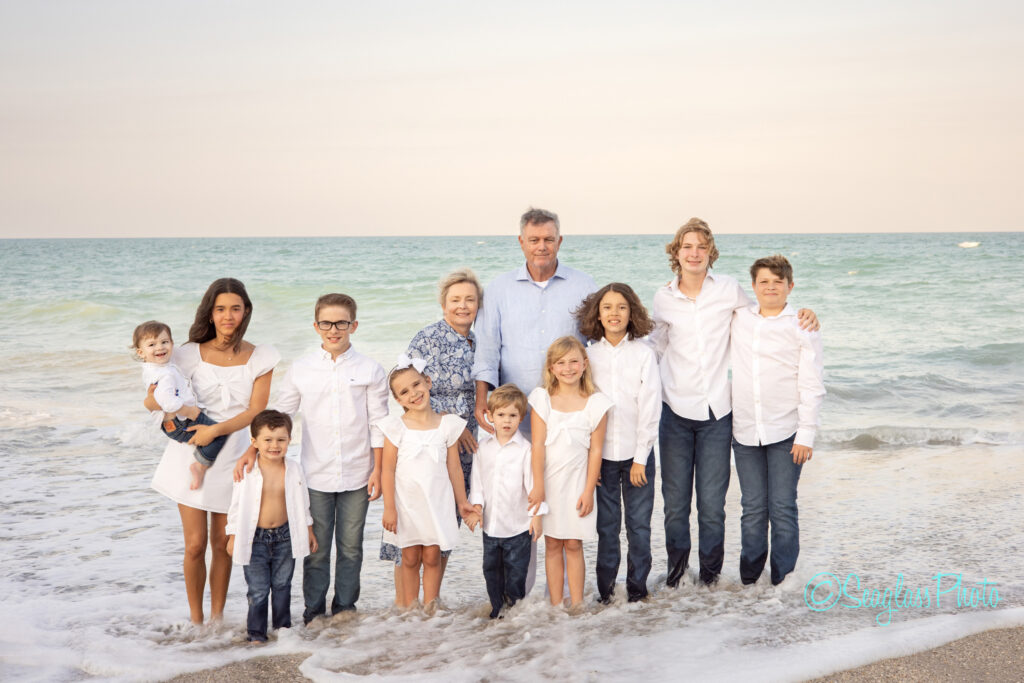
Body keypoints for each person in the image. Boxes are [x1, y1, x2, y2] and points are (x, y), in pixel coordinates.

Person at [650, 219, 817, 587]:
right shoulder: (662, 298)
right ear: (676, 253)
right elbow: (656, 345)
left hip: (717, 415)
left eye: (701, 246)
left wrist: (805, 312)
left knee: (712, 507)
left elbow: (770, 310)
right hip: (674, 411)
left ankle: (710, 578)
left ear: (711, 253)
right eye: (687, 246)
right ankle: (676, 576)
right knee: (675, 506)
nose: (694, 253)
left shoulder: (729, 290)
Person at [233, 293, 388, 624]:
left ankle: (345, 610)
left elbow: (379, 423)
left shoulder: (370, 370)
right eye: (327, 323)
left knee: (350, 549)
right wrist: (251, 449)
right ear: (316, 326)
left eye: (342, 323)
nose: (334, 330)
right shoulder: (301, 369)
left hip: (359, 474)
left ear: (354, 325)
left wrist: (378, 470)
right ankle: (314, 614)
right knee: (315, 550)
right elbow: (280, 415)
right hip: (314, 475)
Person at [148, 278, 279, 624]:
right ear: (210, 311)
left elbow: (256, 411)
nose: (228, 315)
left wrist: (216, 431)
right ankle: (196, 621)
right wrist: (168, 410)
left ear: (246, 311)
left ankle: (217, 619)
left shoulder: (261, 356)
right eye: (220, 308)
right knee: (194, 545)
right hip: (190, 455)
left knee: (223, 545)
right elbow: (152, 397)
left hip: (233, 454)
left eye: (236, 308)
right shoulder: (187, 353)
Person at [730, 255, 824, 586]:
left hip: (786, 431)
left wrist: (806, 434)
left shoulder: (801, 326)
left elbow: (812, 382)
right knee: (753, 509)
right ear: (753, 287)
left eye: (778, 282)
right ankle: (750, 581)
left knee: (782, 507)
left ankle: (783, 583)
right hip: (744, 432)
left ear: (790, 286)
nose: (771, 287)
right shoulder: (739, 317)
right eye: (764, 282)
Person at [394, 269, 482, 598]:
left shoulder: (481, 339)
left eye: (470, 299)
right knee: (414, 526)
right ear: (443, 305)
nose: (463, 306)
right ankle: (403, 607)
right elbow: (406, 391)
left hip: (466, 442)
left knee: (443, 523)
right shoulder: (427, 338)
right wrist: (450, 424)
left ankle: (431, 605)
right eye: (455, 299)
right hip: (429, 439)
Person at [473, 208, 596, 438]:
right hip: (515, 414)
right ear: (521, 242)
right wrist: (481, 400)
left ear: (559, 241)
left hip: (570, 414)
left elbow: (599, 346)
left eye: (548, 239)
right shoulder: (498, 289)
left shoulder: (584, 286)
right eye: (534, 240)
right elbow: (486, 352)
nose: (542, 246)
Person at [575, 283, 662, 603]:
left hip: (637, 457)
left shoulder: (643, 353)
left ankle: (638, 591)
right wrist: (588, 462)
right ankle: (607, 594)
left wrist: (641, 457)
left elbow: (650, 407)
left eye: (621, 307)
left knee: (639, 527)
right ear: (597, 313)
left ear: (632, 313)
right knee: (607, 528)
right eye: (607, 307)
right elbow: (583, 407)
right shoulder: (587, 354)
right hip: (602, 459)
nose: (614, 313)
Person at [378, 356, 476, 609]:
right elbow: (387, 470)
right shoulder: (395, 427)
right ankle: (410, 611)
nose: (413, 393)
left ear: (428, 382)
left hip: (437, 503)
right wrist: (389, 507)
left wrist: (462, 502)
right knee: (409, 557)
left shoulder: (447, 425)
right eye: (404, 392)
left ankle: (431, 609)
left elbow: (454, 467)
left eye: (416, 385)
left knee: (433, 556)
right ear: (398, 400)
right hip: (406, 505)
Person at [527, 337, 612, 608]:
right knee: (552, 544)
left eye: (574, 361)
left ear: (584, 364)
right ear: (551, 368)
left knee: (574, 544)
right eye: (561, 363)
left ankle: (577, 605)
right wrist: (538, 487)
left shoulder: (596, 403)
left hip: (577, 483)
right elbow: (537, 446)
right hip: (549, 483)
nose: (568, 368)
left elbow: (596, 451)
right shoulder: (542, 399)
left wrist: (589, 491)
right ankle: (555, 604)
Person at [225, 410, 317, 642]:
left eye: (281, 440)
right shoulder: (247, 470)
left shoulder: (294, 469)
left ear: (289, 440)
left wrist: (308, 529)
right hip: (254, 538)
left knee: (282, 584)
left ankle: (282, 630)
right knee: (257, 589)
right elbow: (236, 506)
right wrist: (233, 534)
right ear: (254, 442)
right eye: (267, 440)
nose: (274, 445)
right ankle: (256, 634)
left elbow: (302, 502)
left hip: (286, 536)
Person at [468, 384, 547, 618]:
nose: (507, 421)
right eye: (501, 415)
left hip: (518, 527)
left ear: (521, 418)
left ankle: (514, 617)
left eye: (513, 415)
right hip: (491, 527)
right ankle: (496, 613)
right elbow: (478, 483)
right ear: (490, 416)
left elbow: (533, 486)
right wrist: (477, 508)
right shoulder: (483, 447)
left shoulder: (525, 450)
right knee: (491, 572)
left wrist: (537, 516)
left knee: (516, 575)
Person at [133, 320, 227, 490]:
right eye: (152, 344)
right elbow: (168, 402)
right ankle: (199, 466)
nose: (160, 347)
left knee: (210, 436)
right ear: (141, 352)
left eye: (164, 342)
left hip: (171, 423)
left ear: (172, 344)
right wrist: (189, 411)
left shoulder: (151, 369)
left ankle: (203, 461)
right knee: (220, 434)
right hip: (182, 420)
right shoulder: (165, 374)